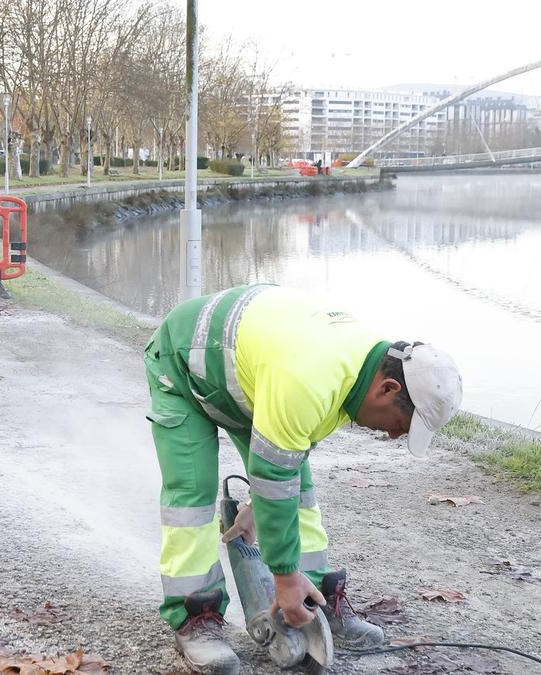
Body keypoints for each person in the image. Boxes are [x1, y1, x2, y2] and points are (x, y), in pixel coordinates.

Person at [144, 283, 462, 675]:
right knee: (191, 496)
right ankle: (196, 615)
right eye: (400, 424)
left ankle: (316, 598)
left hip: (251, 380)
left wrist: (255, 505)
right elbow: (274, 474)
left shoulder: (360, 371)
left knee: (299, 492)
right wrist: (284, 577)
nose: (394, 436)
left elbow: (286, 465)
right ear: (388, 388)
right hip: (184, 367)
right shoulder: (312, 377)